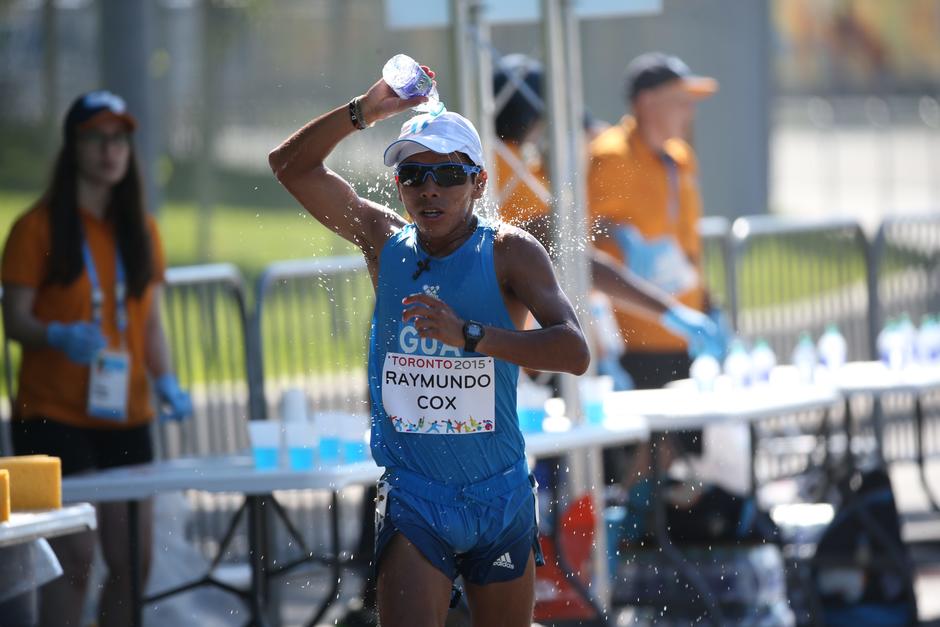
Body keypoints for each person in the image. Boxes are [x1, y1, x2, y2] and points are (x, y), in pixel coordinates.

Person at [269, 65, 589, 627]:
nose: (430, 189)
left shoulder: (510, 252)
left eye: (447, 174)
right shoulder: (383, 242)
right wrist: (363, 112)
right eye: (414, 175)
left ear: (478, 183)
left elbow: (574, 351)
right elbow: (289, 167)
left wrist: (469, 335)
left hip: (500, 495)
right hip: (417, 496)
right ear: (399, 185)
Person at [1, 90, 192, 627]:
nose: (111, 150)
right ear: (73, 146)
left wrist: (167, 381)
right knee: (74, 560)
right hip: (52, 415)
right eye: (97, 138)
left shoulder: (141, 229)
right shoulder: (34, 228)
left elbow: (150, 322)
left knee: (134, 561)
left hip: (127, 415)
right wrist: (54, 334)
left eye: (120, 139)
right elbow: (14, 318)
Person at [492, 54, 723, 383]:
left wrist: (705, 303)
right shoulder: (516, 177)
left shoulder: (516, 172)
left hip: (528, 344)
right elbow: (578, 256)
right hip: (538, 347)